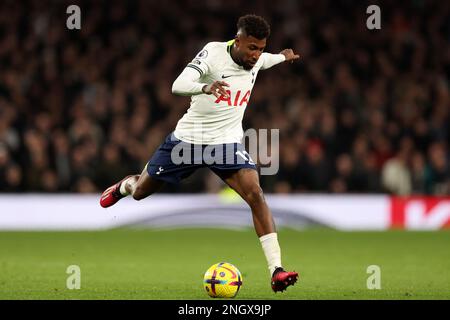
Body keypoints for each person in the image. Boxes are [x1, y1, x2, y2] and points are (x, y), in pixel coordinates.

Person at [100, 14, 300, 292]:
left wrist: (281, 56)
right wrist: (205, 86)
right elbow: (178, 85)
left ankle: (276, 270)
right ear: (237, 41)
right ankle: (125, 185)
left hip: (226, 143)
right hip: (187, 141)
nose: (256, 55)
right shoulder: (214, 53)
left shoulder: (257, 59)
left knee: (256, 194)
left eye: (261, 48)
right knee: (140, 192)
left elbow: (266, 61)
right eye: (252, 48)